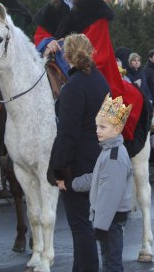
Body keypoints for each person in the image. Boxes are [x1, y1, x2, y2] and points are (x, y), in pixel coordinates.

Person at [34, 0, 145, 155]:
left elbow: (96, 46)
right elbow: (40, 34)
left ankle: (104, 141)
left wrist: (68, 49)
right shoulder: (53, 7)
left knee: (101, 100)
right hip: (53, 64)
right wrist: (48, 42)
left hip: (86, 66)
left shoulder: (95, 8)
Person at [50, 34, 109, 272]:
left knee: (80, 224)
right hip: (101, 157)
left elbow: (68, 134)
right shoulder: (101, 80)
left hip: (79, 164)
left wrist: (60, 172)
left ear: (66, 56)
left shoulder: (73, 86)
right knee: (95, 222)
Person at [72, 94, 134, 272]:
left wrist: (100, 225)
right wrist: (75, 183)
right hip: (109, 219)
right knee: (109, 259)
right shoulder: (109, 150)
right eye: (97, 126)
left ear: (116, 130)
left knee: (111, 262)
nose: (97, 130)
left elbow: (110, 194)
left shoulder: (114, 156)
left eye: (103, 127)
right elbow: (98, 177)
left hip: (110, 220)